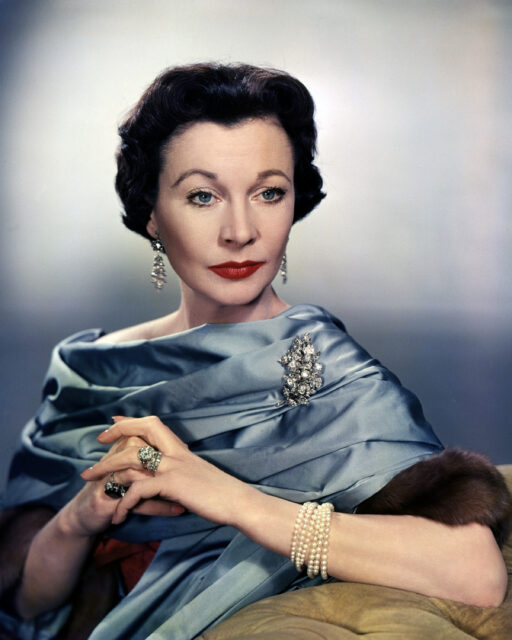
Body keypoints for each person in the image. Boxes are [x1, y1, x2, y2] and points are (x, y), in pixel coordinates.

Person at [0, 63, 510, 640]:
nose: (240, 231)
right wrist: (77, 522)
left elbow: (476, 573)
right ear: (152, 213)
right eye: (202, 196)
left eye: (269, 193)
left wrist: (230, 498)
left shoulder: (330, 369)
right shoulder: (89, 373)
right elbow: (26, 607)